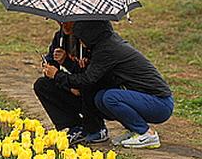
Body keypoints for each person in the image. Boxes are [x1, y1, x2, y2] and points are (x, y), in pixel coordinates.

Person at [44, 20, 174, 149]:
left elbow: (88, 79)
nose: (81, 42)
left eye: (81, 36)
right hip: (144, 98)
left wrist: (57, 75)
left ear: (90, 34)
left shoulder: (107, 49)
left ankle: (147, 134)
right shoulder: (105, 44)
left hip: (159, 103)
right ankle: (134, 130)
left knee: (109, 98)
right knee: (101, 98)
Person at [34, 21, 108, 145]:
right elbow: (52, 67)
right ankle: (74, 125)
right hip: (73, 86)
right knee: (42, 85)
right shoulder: (60, 37)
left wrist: (67, 62)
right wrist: (49, 65)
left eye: (69, 21)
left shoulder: (91, 39)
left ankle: (96, 128)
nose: (64, 24)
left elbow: (91, 76)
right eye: (60, 20)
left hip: (95, 93)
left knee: (87, 87)